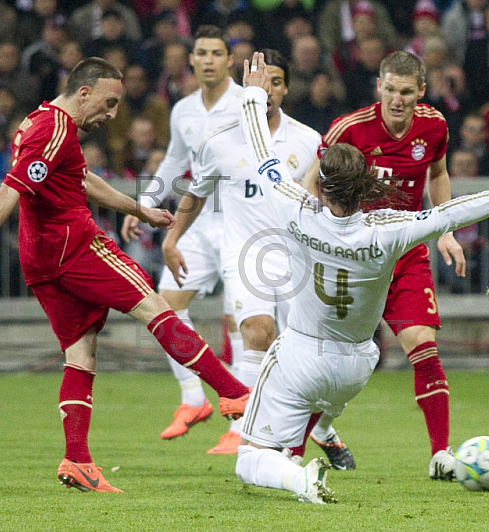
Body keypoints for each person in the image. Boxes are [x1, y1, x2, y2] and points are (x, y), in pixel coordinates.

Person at [234, 51, 489, 503]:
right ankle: (323, 431)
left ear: (322, 185)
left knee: (249, 457)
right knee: (335, 385)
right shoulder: (388, 232)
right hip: (358, 365)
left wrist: (252, 95)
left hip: (303, 354)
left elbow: (262, 154)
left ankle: (297, 470)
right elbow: (449, 210)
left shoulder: (298, 213)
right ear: (365, 185)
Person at [0, 57, 251, 493]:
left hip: (41, 258)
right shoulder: (55, 130)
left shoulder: (39, 123)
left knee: (80, 352)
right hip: (75, 247)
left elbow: (81, 179)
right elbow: (11, 187)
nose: (111, 115)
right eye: (108, 103)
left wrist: (138, 208)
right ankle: (234, 391)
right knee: (156, 306)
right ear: (83, 93)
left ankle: (78, 461)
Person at [160, 48, 355, 468]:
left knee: (311, 356)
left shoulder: (306, 140)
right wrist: (172, 239)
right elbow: (195, 195)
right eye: (258, 81)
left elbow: (324, 200)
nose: (266, 91)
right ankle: (247, 436)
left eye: (275, 82)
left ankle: (320, 429)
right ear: (245, 86)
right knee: (258, 332)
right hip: (244, 255)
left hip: (296, 256)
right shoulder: (219, 142)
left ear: (284, 88)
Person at [303, 50, 464, 479]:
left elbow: (439, 173)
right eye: (390, 89)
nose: (397, 99)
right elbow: (312, 181)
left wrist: (445, 229)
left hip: (405, 250)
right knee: (329, 359)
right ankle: (291, 448)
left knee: (423, 345)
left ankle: (440, 453)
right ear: (379, 86)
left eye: (406, 92)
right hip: (352, 253)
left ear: (421, 92)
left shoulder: (434, 126)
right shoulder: (350, 128)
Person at [121, 26, 245, 452]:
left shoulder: (247, 104)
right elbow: (175, 160)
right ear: (191, 60)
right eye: (201, 53)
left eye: (216, 53)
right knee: (165, 306)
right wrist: (144, 203)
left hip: (241, 222)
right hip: (196, 221)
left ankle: (242, 422)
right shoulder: (183, 110)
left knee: (241, 320)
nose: (208, 60)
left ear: (230, 60)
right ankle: (193, 397)